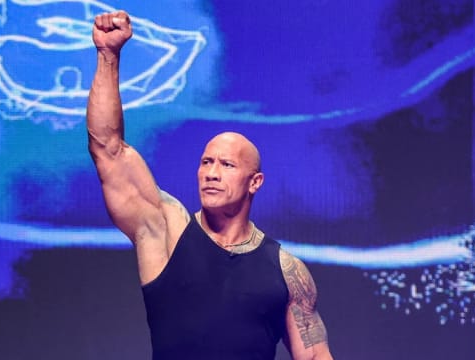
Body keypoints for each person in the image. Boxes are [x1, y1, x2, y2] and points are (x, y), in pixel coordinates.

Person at [87, 10, 334, 360]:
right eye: (206, 162)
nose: (211, 173)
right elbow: (108, 149)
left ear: (255, 182)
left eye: (227, 165)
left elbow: (314, 356)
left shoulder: (287, 271)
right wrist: (108, 56)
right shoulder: (166, 230)